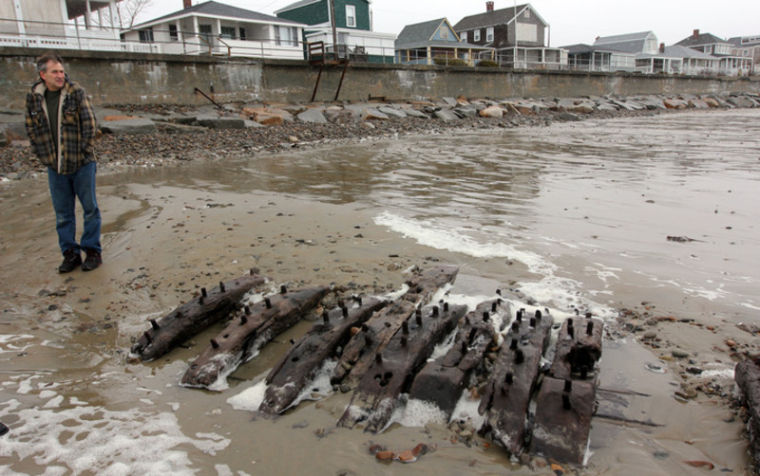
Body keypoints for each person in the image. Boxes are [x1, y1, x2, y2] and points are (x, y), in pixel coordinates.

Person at [25, 52, 102, 273]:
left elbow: (90, 125)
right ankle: (70, 255)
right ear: (43, 75)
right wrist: (44, 157)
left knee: (90, 210)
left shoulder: (75, 93)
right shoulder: (33, 97)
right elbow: (31, 128)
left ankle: (93, 252)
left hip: (82, 164)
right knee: (63, 214)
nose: (60, 75)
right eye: (55, 72)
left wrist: (83, 153)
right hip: (54, 166)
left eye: (61, 71)